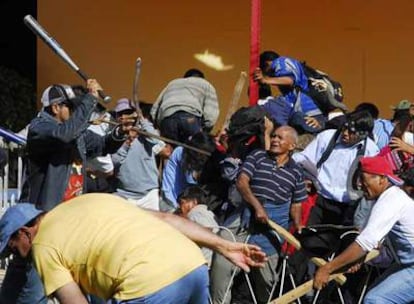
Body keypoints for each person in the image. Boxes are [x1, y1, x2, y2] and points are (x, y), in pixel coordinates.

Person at [0, 193, 267, 304]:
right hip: (191, 266)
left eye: (13, 247)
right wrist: (223, 245)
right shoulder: (88, 200)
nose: (16, 256)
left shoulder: (43, 246)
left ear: (24, 232)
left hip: (147, 283)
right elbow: (165, 218)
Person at [210, 126, 307, 304]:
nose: (275, 140)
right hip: (244, 220)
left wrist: (298, 225)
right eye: (274, 136)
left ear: (292, 146)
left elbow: (296, 204)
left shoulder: (297, 173)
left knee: (267, 281)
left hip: (273, 228)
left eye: (280, 138)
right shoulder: (257, 156)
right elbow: (242, 182)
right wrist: (257, 207)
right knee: (222, 265)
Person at [314, 155, 414, 304]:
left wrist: (327, 268)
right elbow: (371, 241)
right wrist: (357, 259)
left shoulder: (392, 199)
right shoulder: (387, 198)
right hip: (406, 264)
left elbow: (363, 243)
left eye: (363, 179)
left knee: (375, 299)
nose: (360, 184)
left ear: (381, 179)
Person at [21, 80, 127, 211]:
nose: (75, 112)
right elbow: (63, 136)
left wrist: (120, 132)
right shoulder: (39, 128)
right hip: (42, 212)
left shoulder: (75, 132)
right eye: (71, 108)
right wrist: (90, 100)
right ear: (55, 107)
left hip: (71, 211)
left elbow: (103, 145)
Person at [112, 98, 169, 210]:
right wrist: (128, 142)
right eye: (121, 114)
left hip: (149, 193)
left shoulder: (145, 132)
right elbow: (115, 161)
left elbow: (155, 140)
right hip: (124, 194)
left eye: (128, 113)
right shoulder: (114, 136)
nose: (125, 116)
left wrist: (142, 120)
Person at [253, 50, 324, 133]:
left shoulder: (279, 62)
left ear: (266, 64)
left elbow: (289, 80)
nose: (269, 74)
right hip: (314, 112)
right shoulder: (293, 64)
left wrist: (265, 80)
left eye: (265, 72)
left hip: (308, 111)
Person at [150, 68, 219, 143]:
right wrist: (204, 130)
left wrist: (157, 124)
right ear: (201, 78)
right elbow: (211, 113)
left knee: (169, 150)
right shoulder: (206, 85)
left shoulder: (173, 83)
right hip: (190, 118)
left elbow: (155, 108)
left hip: (167, 118)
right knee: (192, 150)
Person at [178, 185, 219, 267]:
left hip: (201, 263)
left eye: (182, 203)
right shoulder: (210, 213)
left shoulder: (194, 212)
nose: (180, 207)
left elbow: (207, 230)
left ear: (194, 202)